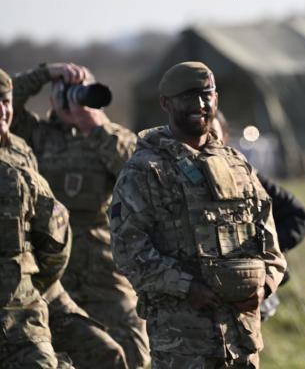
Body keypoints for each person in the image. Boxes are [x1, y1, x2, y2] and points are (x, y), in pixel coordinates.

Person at [110, 61, 287, 368]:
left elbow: (269, 240)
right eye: (188, 96)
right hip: (182, 343)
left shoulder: (236, 164)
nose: (201, 105)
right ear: (166, 102)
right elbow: (128, 249)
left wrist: (264, 286)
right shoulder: (145, 169)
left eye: (207, 95)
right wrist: (186, 287)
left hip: (241, 340)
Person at [11, 62, 149, 368]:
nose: (77, 99)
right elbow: (7, 96)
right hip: (52, 274)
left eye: (83, 91)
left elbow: (138, 175)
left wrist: (94, 128)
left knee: (130, 351)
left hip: (103, 272)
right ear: (53, 100)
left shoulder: (114, 136)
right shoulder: (36, 136)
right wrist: (46, 73)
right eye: (70, 93)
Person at [0, 67, 71, 367]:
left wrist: (30, 286)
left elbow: (54, 234)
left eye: (5, 101)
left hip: (21, 306)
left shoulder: (21, 154)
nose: (1, 110)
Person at [212, 111, 305, 320]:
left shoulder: (244, 176)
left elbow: (298, 217)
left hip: (244, 300)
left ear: (226, 138)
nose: (206, 143)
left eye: (213, 135)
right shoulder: (168, 180)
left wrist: (258, 253)